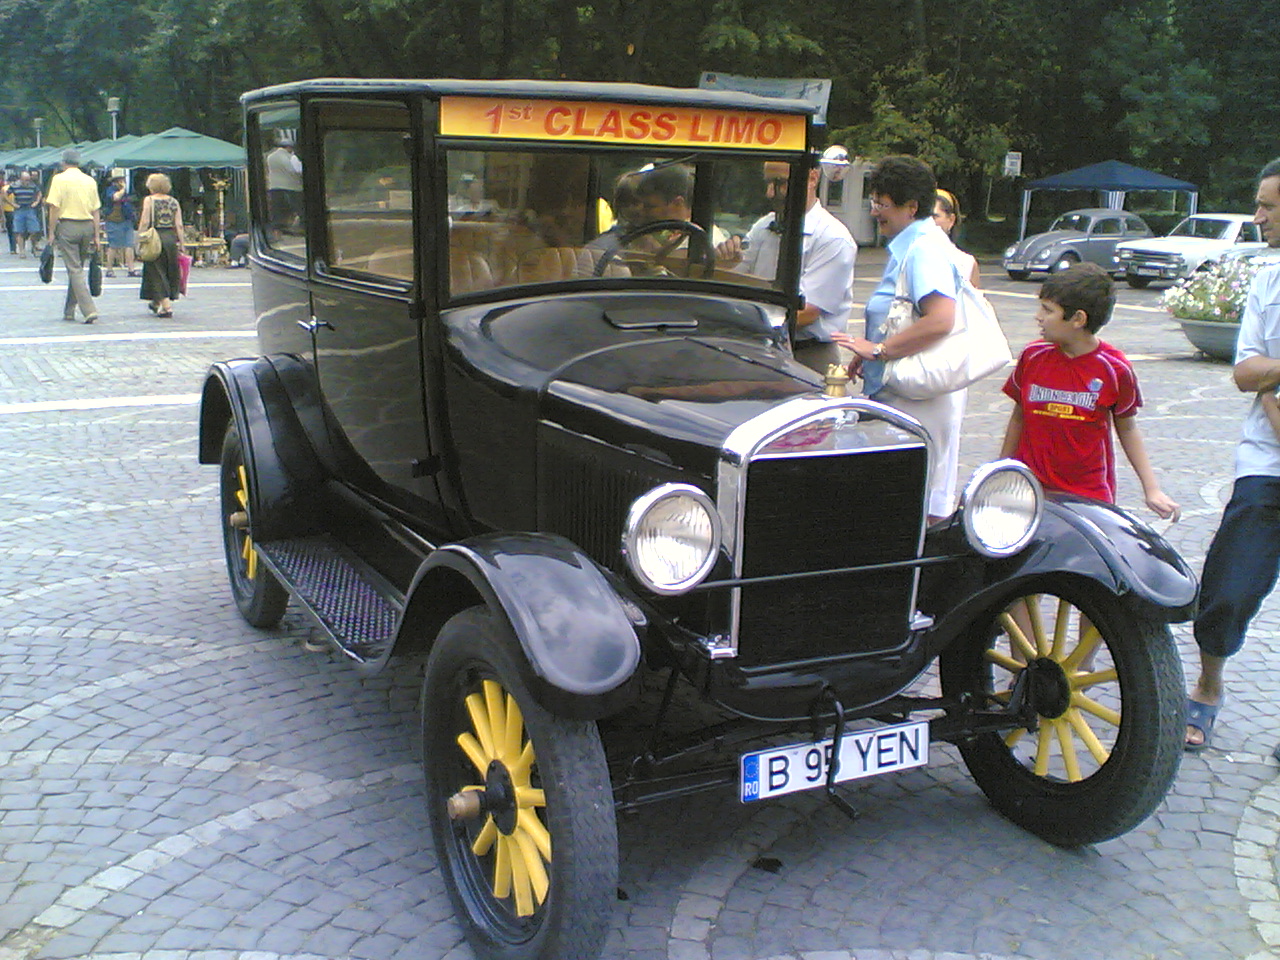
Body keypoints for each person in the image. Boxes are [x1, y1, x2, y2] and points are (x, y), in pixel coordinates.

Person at [1185, 158, 1280, 753]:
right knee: (1228, 589)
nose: (1258, 216)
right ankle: (1209, 685)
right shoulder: (1268, 281)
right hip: (1265, 465)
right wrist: (1271, 388)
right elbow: (1246, 372)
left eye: (1269, 206)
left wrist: (1271, 377)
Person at [831, 155, 966, 521]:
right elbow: (900, 314)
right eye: (873, 201)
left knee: (907, 506)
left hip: (915, 398)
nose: (875, 211)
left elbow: (941, 319)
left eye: (882, 203)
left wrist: (880, 349)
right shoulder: (910, 247)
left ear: (911, 207)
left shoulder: (923, 250)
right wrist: (871, 349)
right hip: (902, 393)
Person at [999, 261, 1180, 517]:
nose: (1038, 316)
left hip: (1089, 497)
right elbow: (1018, 417)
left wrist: (1152, 489)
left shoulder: (1115, 369)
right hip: (1027, 489)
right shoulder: (1032, 356)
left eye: (1048, 310)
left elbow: (1127, 428)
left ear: (1078, 319)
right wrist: (1001, 470)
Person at [717, 160, 857, 374]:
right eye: (768, 183)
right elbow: (737, 279)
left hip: (807, 354)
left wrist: (738, 321)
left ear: (812, 178)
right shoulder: (763, 227)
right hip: (761, 345)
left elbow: (806, 312)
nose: (770, 193)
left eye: (780, 183)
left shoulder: (833, 238)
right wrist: (725, 263)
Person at [44, 149, 101, 324]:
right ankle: (69, 310)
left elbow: (54, 207)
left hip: (68, 225)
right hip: (87, 226)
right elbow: (96, 210)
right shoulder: (89, 180)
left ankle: (89, 310)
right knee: (77, 268)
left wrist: (51, 232)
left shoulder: (59, 179)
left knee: (74, 269)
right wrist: (97, 235)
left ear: (63, 162)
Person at [137, 172, 184, 318]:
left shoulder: (149, 200)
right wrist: (182, 243)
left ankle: (166, 307)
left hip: (155, 237)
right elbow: (179, 225)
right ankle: (156, 302)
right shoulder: (173, 202)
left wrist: (140, 237)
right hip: (170, 238)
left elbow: (145, 221)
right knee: (168, 270)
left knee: (155, 270)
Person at [932, 188, 981, 287]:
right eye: (924, 217)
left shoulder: (967, 263)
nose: (928, 222)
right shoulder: (906, 255)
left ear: (951, 220)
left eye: (934, 217)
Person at [102, 174, 139, 278]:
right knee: (113, 246)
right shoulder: (110, 190)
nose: (123, 182)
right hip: (114, 221)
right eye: (121, 180)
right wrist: (122, 189)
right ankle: (109, 270)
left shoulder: (127, 191)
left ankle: (131, 269)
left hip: (127, 220)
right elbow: (115, 197)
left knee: (129, 245)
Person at [266, 134, 303, 233]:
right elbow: (296, 170)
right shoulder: (291, 157)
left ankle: (277, 229)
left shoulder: (270, 157)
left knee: (277, 209)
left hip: (274, 186)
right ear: (289, 147)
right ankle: (301, 227)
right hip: (292, 186)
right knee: (298, 207)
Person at [11, 170, 43, 258]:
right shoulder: (14, 185)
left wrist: (36, 202)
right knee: (19, 231)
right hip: (19, 210)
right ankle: (22, 251)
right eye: (25, 180)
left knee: (34, 230)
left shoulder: (33, 185)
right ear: (21, 179)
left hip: (30, 209)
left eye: (28, 179)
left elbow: (39, 193)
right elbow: (5, 194)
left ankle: (34, 247)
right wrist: (12, 204)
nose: (27, 182)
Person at [2, 176, 16, 254]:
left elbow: (2, 202)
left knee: (10, 230)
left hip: (7, 211)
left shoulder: (4, 189)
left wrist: (2, 215)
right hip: (16, 210)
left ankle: (13, 248)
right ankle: (16, 246)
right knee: (16, 230)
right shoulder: (17, 188)